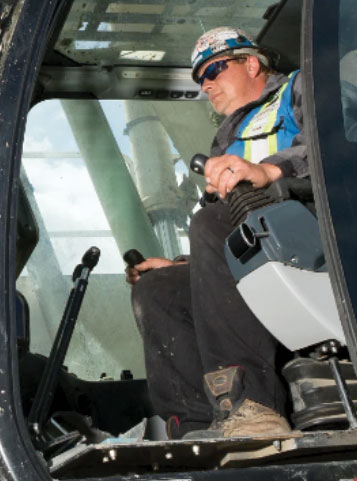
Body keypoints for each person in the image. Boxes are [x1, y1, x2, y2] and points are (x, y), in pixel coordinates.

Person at [127, 27, 305, 439]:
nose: (206, 84)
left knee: (211, 222)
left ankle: (253, 407)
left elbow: (341, 141)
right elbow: (218, 234)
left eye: (215, 69)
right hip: (253, 240)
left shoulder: (301, 89)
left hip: (314, 226)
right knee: (158, 289)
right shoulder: (227, 140)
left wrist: (271, 170)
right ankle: (199, 425)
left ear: (253, 63)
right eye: (200, 78)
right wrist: (182, 265)